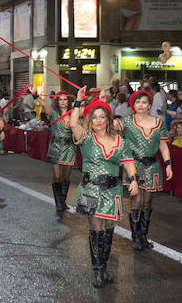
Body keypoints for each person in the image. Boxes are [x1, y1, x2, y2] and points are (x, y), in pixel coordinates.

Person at [69, 88, 140, 288]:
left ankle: (104, 267)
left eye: (102, 116)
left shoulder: (120, 141)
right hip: (90, 190)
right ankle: (98, 270)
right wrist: (78, 102)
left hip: (113, 192)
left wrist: (133, 179)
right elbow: (73, 123)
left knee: (109, 230)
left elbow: (128, 161)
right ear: (90, 121)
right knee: (96, 228)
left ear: (108, 119)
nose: (98, 120)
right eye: (95, 117)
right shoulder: (87, 138)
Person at [116, 90, 172, 251]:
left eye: (144, 102)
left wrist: (168, 163)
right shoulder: (126, 121)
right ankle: (135, 237)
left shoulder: (159, 123)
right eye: (137, 102)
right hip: (134, 167)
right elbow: (105, 123)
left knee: (147, 202)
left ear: (149, 105)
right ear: (133, 105)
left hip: (152, 166)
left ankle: (143, 235)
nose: (140, 105)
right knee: (137, 200)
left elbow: (163, 145)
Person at [39, 91, 75, 214]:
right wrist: (33, 94)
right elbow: (43, 104)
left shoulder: (73, 114)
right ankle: (59, 202)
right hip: (55, 146)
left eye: (65, 99)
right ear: (57, 101)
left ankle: (62, 201)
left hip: (70, 147)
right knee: (57, 176)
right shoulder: (53, 113)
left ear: (68, 101)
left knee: (65, 177)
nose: (63, 102)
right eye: (60, 99)